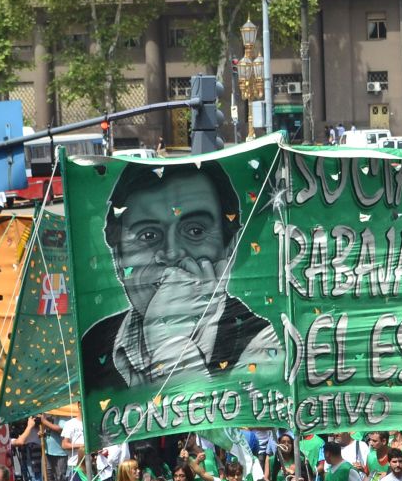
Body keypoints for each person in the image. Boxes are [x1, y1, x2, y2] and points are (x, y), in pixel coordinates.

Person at [78, 161, 282, 388]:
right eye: (148, 235)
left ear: (229, 248)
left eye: (195, 231)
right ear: (117, 257)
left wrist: (168, 342)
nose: (172, 253)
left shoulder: (262, 345)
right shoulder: (94, 343)